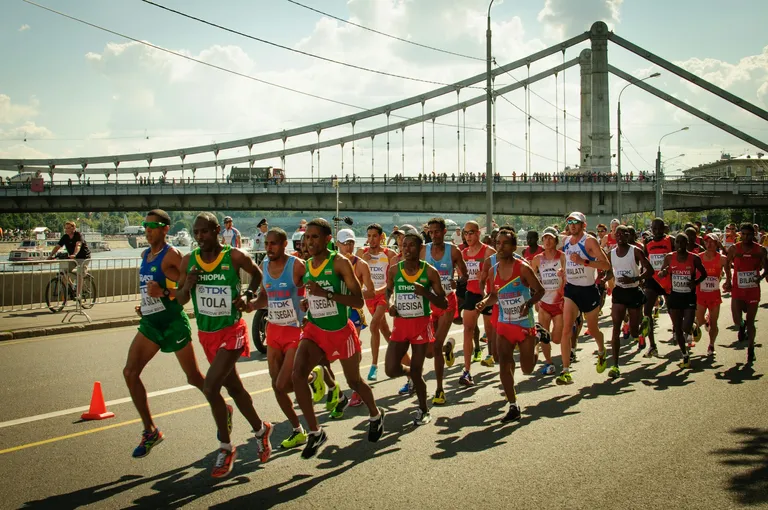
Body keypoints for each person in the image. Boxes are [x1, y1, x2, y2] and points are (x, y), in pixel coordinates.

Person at [177, 212, 271, 478]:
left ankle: (226, 446)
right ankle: (262, 430)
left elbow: (257, 274)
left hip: (232, 331)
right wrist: (188, 285)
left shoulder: (234, 256)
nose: (199, 237)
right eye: (195, 233)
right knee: (236, 389)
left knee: (210, 386)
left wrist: (248, 294)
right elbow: (180, 299)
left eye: (204, 232)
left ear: (217, 230)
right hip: (207, 334)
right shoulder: (189, 261)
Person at [292, 218, 384, 459]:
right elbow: (313, 295)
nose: (309, 242)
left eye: (314, 237)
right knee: (297, 374)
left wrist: (327, 294)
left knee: (355, 382)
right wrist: (309, 302)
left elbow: (358, 301)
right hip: (315, 330)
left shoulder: (340, 263)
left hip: (342, 332)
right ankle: (315, 431)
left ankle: (375, 414)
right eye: (307, 237)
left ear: (327, 240)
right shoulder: (308, 264)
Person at [123, 209, 205, 458]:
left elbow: (183, 293)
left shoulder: (172, 256)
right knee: (130, 372)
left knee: (194, 378)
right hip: (151, 323)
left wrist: (163, 294)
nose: (147, 230)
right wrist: (145, 303)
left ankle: (222, 408)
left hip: (173, 323)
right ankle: (150, 431)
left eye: (153, 226)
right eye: (145, 225)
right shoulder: (146, 254)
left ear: (165, 228)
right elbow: (154, 286)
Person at [476, 230, 544, 422]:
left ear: (514, 247)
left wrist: (529, 304)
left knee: (527, 369)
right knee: (503, 363)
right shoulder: (493, 270)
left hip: (524, 324)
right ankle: (513, 405)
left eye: (505, 243)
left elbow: (540, 290)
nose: (500, 246)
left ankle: (538, 340)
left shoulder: (523, 268)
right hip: (504, 323)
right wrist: (484, 302)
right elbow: (494, 295)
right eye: (498, 243)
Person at [386, 232, 447, 425]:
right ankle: (409, 374)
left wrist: (426, 293)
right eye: (404, 245)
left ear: (420, 249)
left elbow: (444, 303)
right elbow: (389, 290)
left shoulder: (429, 272)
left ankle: (423, 409)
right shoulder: (395, 270)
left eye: (411, 245)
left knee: (417, 370)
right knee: (390, 369)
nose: (406, 249)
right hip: (401, 327)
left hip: (421, 326)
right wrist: (391, 304)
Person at [556, 212, 612, 385]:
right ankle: (565, 371)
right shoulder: (565, 241)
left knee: (593, 329)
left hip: (588, 290)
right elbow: (566, 260)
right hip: (571, 290)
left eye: (576, 222)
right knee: (567, 329)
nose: (572, 225)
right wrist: (563, 271)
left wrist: (584, 262)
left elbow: (606, 265)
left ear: (583, 225)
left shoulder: (589, 241)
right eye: (570, 222)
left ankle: (602, 351)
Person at [421, 217, 467, 405]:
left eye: (437, 231)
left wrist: (458, 281)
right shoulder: (424, 250)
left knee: (436, 347)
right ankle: (449, 346)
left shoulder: (453, 251)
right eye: (430, 232)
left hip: (447, 302)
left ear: (444, 231)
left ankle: (440, 390)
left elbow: (465, 274)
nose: (434, 235)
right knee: (429, 352)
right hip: (429, 302)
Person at [608, 225, 653, 378]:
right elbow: (609, 272)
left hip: (633, 292)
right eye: (618, 233)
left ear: (629, 235)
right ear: (614, 235)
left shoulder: (635, 251)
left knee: (634, 333)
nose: (620, 236)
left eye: (624, 233)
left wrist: (635, 279)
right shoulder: (611, 253)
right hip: (619, 292)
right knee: (615, 328)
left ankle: (643, 325)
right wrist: (603, 279)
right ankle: (615, 365)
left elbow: (650, 270)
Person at [337, 228, 375, 407]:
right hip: (334, 311)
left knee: (352, 350)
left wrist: (355, 297)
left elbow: (371, 291)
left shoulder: (360, 265)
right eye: (345, 243)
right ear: (337, 244)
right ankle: (330, 386)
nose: (349, 246)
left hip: (353, 312)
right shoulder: (331, 262)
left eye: (351, 242)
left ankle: (356, 389)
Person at [658, 234, 707, 369]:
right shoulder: (669, 257)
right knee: (678, 329)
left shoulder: (694, 258)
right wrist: (663, 273)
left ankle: (692, 326)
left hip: (689, 297)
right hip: (675, 296)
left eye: (682, 242)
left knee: (686, 327)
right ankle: (685, 355)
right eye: (677, 242)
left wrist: (695, 282)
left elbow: (704, 274)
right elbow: (663, 269)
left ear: (687, 243)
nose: (679, 245)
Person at [356, 223, 396, 381]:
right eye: (369, 236)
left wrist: (381, 291)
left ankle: (374, 365)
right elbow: (355, 277)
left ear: (381, 237)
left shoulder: (389, 253)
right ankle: (399, 356)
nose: (371, 239)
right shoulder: (361, 253)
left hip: (383, 295)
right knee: (385, 330)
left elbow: (391, 279)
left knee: (373, 326)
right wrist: (363, 261)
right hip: (369, 296)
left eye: (374, 236)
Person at [723, 223, 767, 363]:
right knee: (737, 319)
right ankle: (741, 326)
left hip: (753, 290)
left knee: (751, 322)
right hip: (738, 289)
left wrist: (759, 277)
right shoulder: (735, 248)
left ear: (753, 235)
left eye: (748, 234)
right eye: (743, 234)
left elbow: (766, 268)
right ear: (739, 235)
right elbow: (727, 263)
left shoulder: (760, 250)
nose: (746, 237)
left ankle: (750, 349)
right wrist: (729, 279)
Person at [459, 221, 496, 386]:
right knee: (468, 329)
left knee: (489, 330)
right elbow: (462, 274)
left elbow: (501, 271)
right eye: (465, 233)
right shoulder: (464, 253)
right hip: (472, 294)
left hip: (488, 295)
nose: (468, 236)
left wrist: (486, 274)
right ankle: (466, 371)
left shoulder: (488, 251)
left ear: (478, 233)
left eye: (471, 232)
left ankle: (492, 354)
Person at [530, 227, 566, 376]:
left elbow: (570, 276)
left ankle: (553, 344)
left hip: (559, 302)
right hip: (544, 303)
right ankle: (549, 363)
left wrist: (564, 275)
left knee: (556, 339)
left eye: (550, 238)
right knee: (545, 336)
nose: (547, 241)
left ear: (556, 240)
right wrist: (534, 299)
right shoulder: (537, 259)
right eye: (545, 238)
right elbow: (532, 280)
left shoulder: (562, 256)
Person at [641, 218, 675, 358]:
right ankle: (652, 346)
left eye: (659, 229)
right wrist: (643, 277)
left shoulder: (671, 241)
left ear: (664, 229)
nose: (656, 232)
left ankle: (677, 331)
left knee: (672, 309)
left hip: (668, 279)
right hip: (652, 280)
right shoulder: (647, 243)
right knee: (647, 312)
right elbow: (645, 261)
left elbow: (677, 258)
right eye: (654, 229)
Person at [696, 233, 725, 356]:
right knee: (700, 321)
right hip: (700, 295)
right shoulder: (698, 258)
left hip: (714, 296)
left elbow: (728, 272)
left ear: (717, 243)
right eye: (707, 241)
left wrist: (728, 281)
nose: (709, 244)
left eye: (712, 241)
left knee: (714, 323)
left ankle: (711, 345)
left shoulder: (722, 258)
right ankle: (705, 322)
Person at [48, 220, 92, 299]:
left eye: (68, 228)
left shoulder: (78, 235)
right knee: (63, 272)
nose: (66, 230)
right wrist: (51, 255)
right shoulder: (65, 237)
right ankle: (72, 287)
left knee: (80, 274)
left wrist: (75, 254)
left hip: (84, 257)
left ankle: (78, 295)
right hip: (73, 258)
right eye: (65, 228)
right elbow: (57, 246)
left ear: (73, 228)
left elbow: (78, 245)